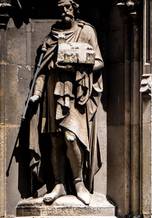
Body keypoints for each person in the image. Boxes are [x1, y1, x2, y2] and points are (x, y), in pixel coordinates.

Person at [15, 0, 103, 206]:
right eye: (60, 8)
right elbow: (42, 70)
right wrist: (36, 93)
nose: (64, 11)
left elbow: (99, 62)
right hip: (53, 92)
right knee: (55, 139)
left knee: (71, 138)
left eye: (68, 7)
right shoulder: (51, 37)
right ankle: (59, 184)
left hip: (75, 92)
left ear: (75, 8)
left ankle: (79, 183)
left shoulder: (87, 32)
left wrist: (77, 64)